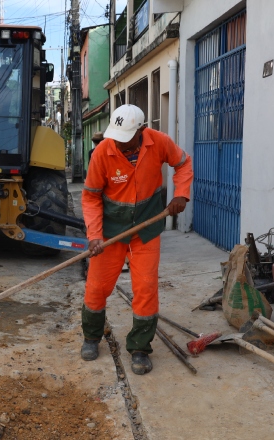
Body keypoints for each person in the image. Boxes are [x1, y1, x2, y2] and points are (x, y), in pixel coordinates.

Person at [79, 104, 193, 375]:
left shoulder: (159, 142)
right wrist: (94, 235)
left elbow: (183, 163)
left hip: (146, 229)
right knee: (97, 287)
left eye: (125, 138)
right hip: (111, 232)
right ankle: (91, 337)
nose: (118, 143)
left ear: (141, 131)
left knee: (145, 288)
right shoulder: (102, 153)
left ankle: (140, 347)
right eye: (115, 136)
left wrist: (181, 194)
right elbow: (91, 197)